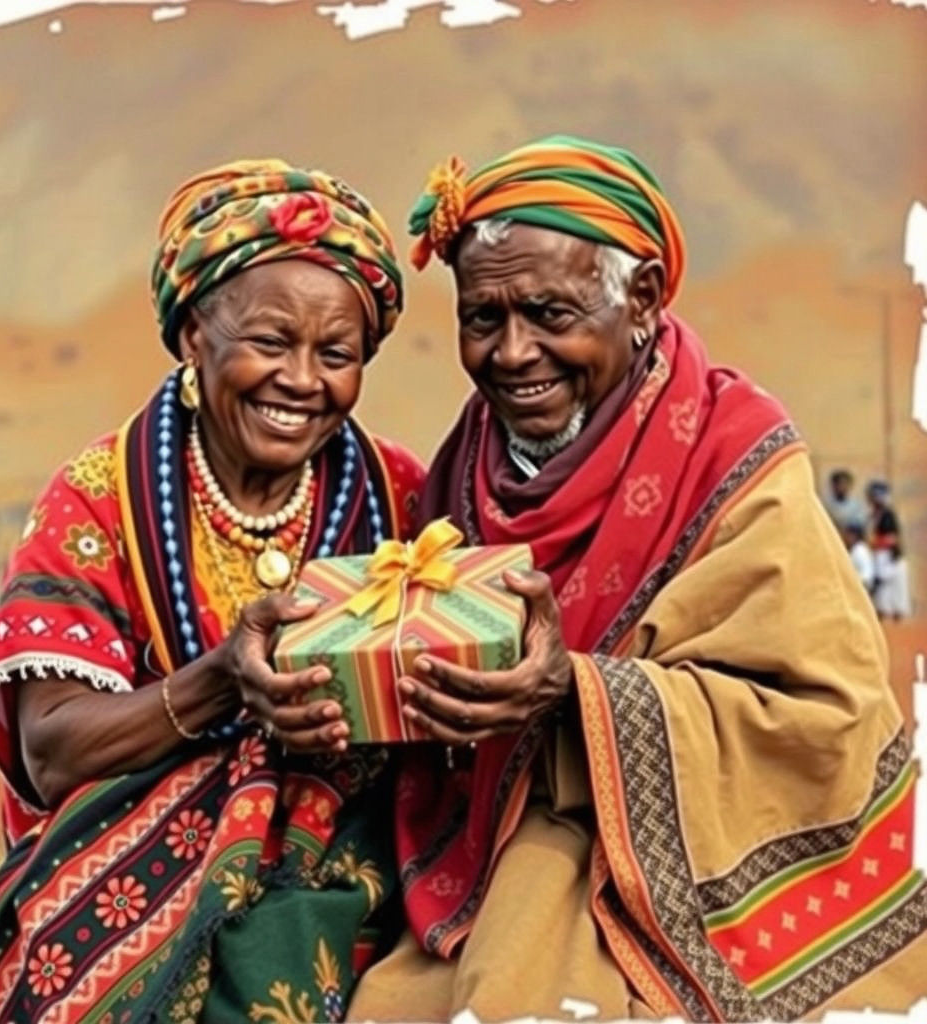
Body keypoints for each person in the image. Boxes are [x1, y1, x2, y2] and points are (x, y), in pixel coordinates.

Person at [348, 136, 927, 1022]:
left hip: (700, 846)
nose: (513, 353)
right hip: (505, 833)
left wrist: (576, 694)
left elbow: (827, 717)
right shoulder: (462, 467)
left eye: (550, 313)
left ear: (644, 298)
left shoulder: (736, 456)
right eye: (482, 319)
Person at [0, 159, 425, 1024]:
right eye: (270, 342)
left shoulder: (399, 495)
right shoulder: (99, 497)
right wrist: (221, 681)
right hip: (138, 849)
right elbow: (50, 753)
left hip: (351, 841)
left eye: (336, 354)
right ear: (193, 335)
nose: (303, 380)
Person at [866, 479, 913, 620]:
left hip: (889, 556)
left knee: (895, 585)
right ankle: (883, 612)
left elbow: (892, 537)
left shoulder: (888, 515)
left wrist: (877, 543)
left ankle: (897, 614)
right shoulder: (874, 515)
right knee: (881, 587)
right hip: (879, 555)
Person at [823, 467, 866, 533]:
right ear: (833, 485)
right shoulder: (826, 505)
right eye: (839, 484)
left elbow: (859, 524)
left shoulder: (855, 506)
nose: (842, 487)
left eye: (845, 484)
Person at [842, 520, 875, 593]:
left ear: (855, 535)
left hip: (862, 589)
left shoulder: (860, 550)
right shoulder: (855, 549)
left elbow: (866, 576)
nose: (846, 537)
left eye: (849, 534)